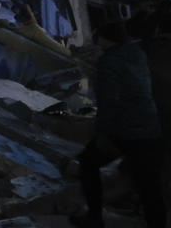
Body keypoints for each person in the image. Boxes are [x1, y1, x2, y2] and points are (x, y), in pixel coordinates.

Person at [71, 21, 166, 228]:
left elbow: (109, 102)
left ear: (105, 39)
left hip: (126, 130)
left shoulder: (109, 62)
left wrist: (102, 134)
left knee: (88, 163)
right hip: (150, 128)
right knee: (150, 187)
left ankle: (94, 217)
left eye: (97, 37)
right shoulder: (138, 54)